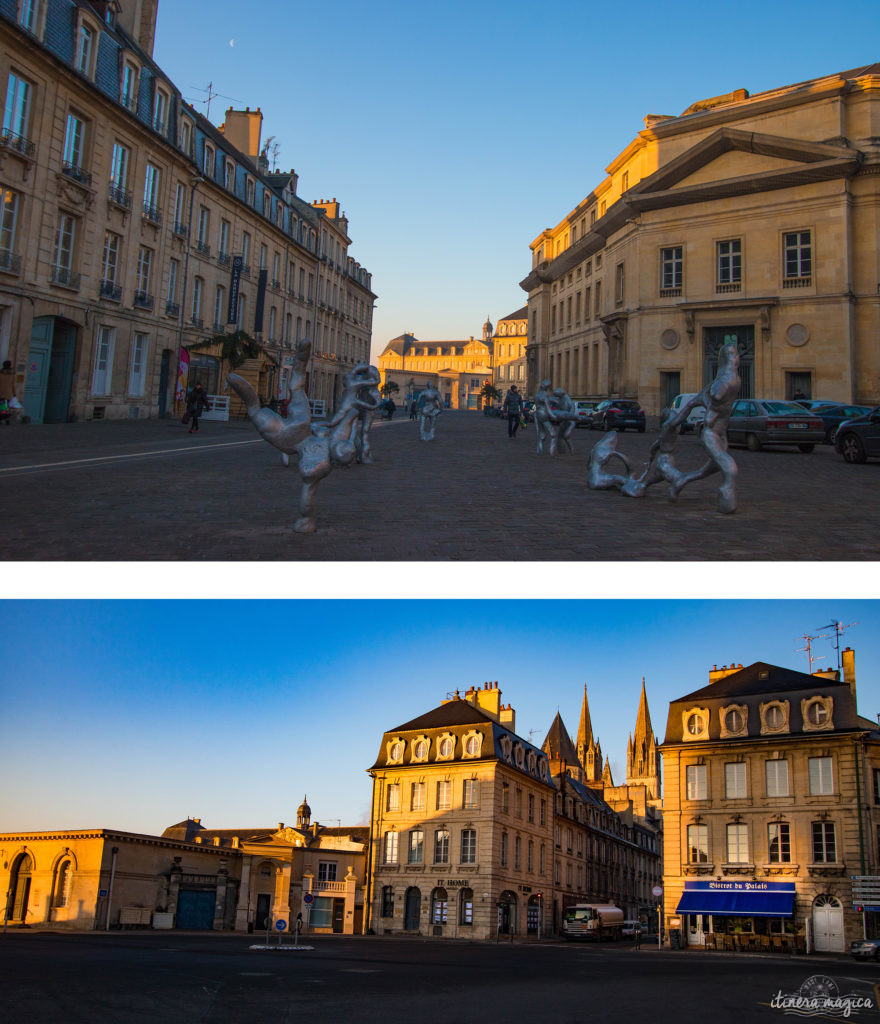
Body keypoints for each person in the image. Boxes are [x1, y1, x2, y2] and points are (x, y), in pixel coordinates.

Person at [0, 359, 14, 425]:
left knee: (3, 407)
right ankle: (6, 419)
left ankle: (4, 419)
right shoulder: (11, 374)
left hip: (1, 393)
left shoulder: (1, 374)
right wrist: (14, 393)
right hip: (8, 394)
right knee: (5, 407)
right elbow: (13, 385)